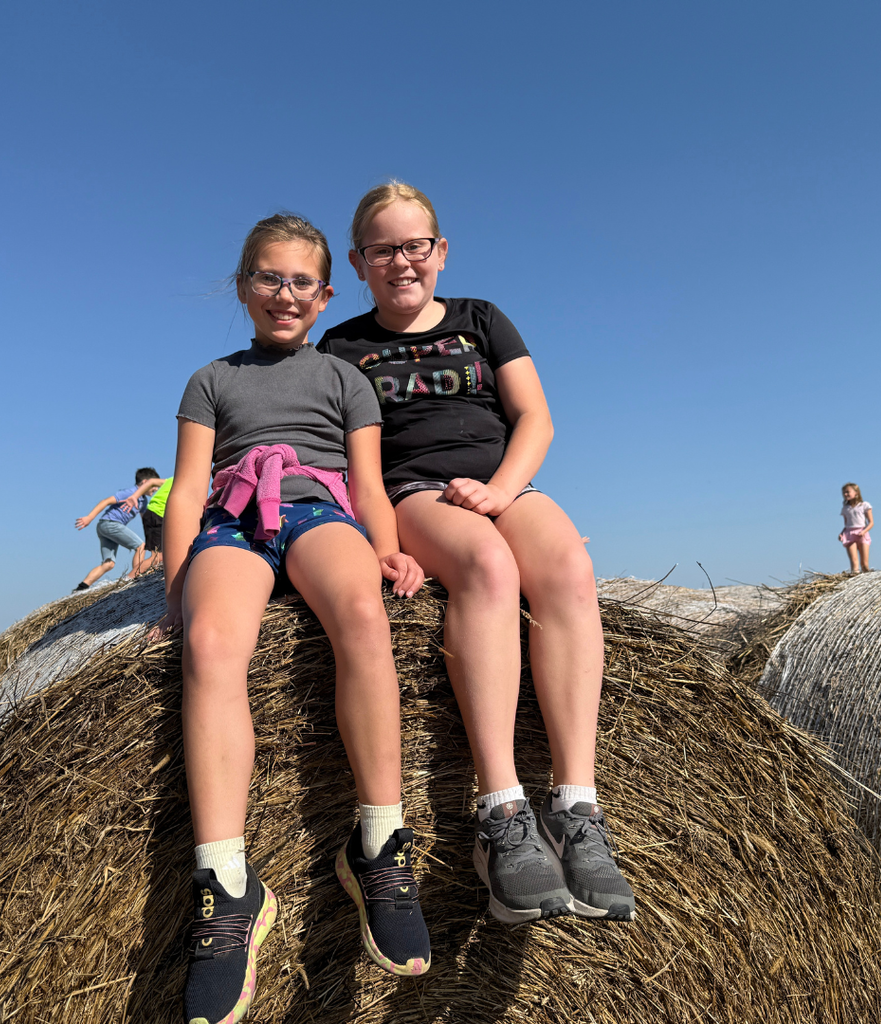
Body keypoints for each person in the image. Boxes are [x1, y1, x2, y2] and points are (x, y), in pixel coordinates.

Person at [318, 182, 635, 926]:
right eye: (383, 250)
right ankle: (500, 813)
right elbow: (346, 463)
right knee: (490, 568)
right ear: (360, 262)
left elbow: (535, 418)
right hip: (415, 493)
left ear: (441, 251)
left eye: (415, 246)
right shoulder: (343, 347)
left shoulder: (480, 321)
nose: (402, 262)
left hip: (499, 482)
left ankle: (578, 810)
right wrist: (383, 545)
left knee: (566, 567)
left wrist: (498, 491)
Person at [152, 214, 430, 1024]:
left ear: (325, 294)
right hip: (235, 523)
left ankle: (378, 841)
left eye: (300, 282)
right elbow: (189, 487)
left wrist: (388, 551)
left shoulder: (346, 380)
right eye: (268, 278)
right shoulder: (211, 379)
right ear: (244, 287)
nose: (284, 294)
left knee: (362, 616)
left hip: (318, 513)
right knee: (209, 644)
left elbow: (371, 484)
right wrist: (175, 589)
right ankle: (228, 884)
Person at [74, 469, 165, 590]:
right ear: (145, 482)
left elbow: (146, 521)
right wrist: (89, 517)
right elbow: (106, 501)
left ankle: (81, 588)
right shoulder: (130, 493)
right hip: (110, 523)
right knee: (140, 546)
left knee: (108, 564)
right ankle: (136, 577)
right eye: (154, 486)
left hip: (105, 526)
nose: (156, 489)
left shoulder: (143, 501)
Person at [839, 482, 873, 573]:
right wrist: (842, 533)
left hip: (862, 532)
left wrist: (864, 531)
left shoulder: (864, 505)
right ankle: (855, 577)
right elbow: (846, 524)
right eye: (844, 493)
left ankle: (866, 581)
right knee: (854, 563)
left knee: (864, 564)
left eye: (847, 492)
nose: (845, 494)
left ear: (856, 492)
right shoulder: (845, 508)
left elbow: (871, 522)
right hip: (849, 534)